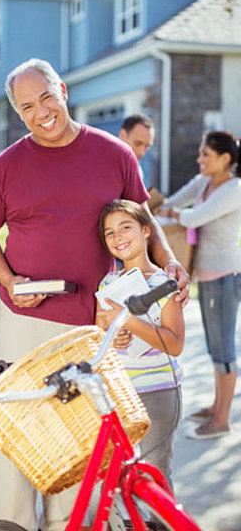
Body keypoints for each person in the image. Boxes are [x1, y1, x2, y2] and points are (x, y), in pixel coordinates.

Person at [0, 58, 188, 531]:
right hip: (25, 320)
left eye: (46, 97)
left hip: (95, 322)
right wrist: (10, 281)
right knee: (17, 429)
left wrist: (170, 261)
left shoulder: (114, 153)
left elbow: (144, 223)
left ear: (63, 90)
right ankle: (12, 524)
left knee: (77, 441)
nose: (41, 111)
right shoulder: (4, 166)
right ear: (18, 113)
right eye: (27, 106)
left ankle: (65, 526)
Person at [158, 131, 241, 439]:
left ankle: (221, 420)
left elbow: (195, 217)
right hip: (206, 276)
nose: (199, 159)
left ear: (225, 159)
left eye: (206, 154)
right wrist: (164, 211)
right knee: (213, 347)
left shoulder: (235, 189)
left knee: (223, 349)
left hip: (225, 277)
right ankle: (216, 406)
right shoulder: (204, 182)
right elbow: (171, 203)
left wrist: (172, 213)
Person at [95, 199, 184, 487]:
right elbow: (99, 331)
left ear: (146, 230)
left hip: (158, 391)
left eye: (125, 227)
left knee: (155, 475)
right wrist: (113, 335)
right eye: (109, 232)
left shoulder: (164, 283)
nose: (118, 236)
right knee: (113, 476)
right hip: (118, 393)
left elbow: (174, 344)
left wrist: (129, 321)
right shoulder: (107, 284)